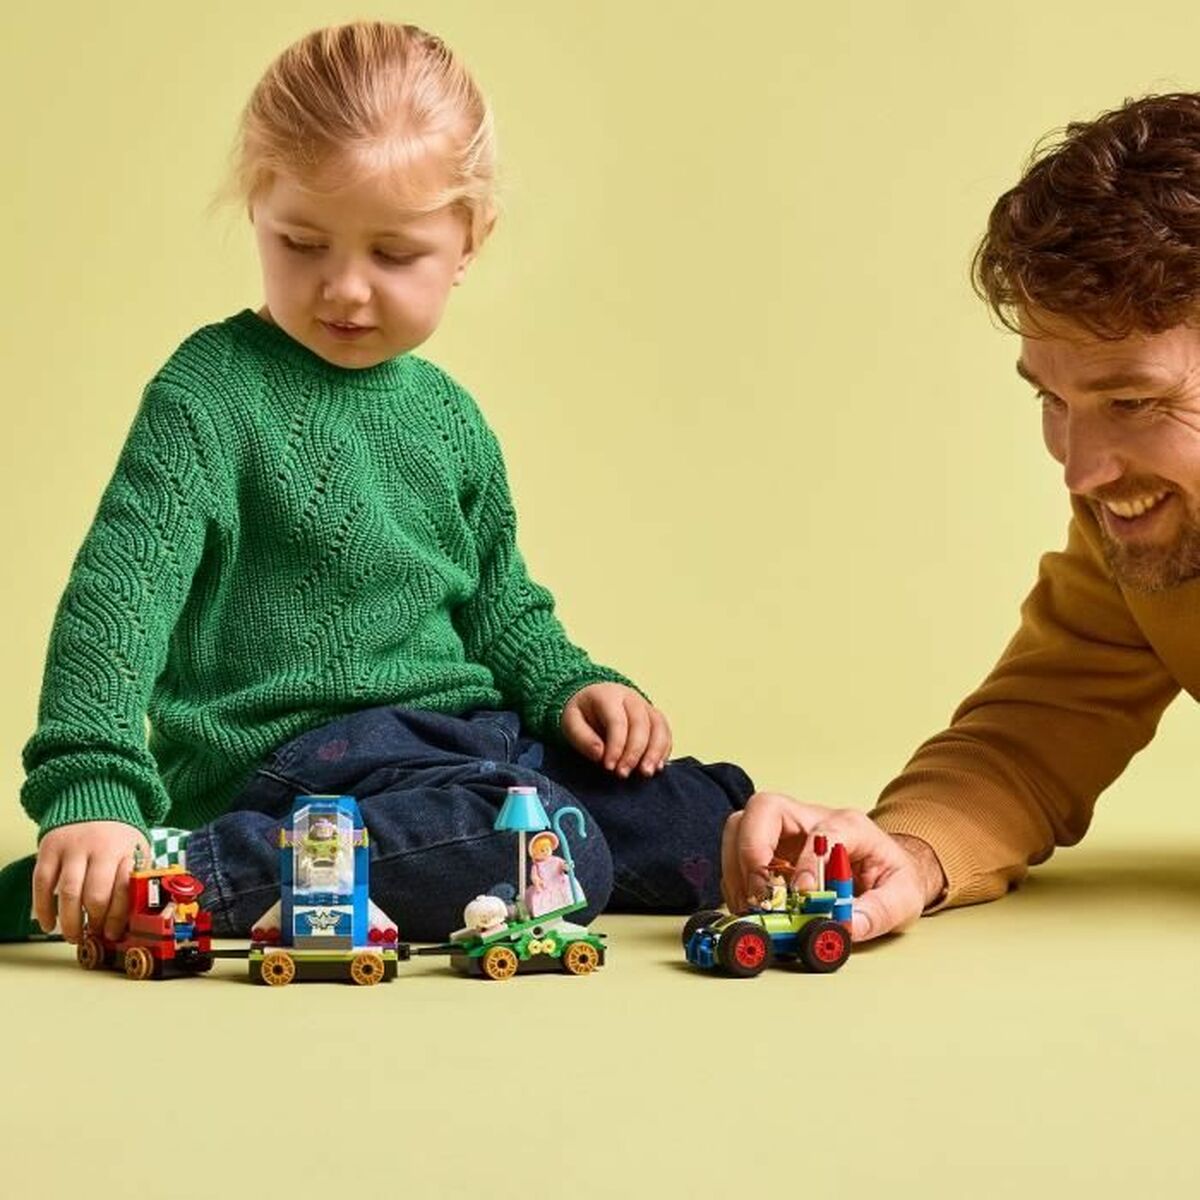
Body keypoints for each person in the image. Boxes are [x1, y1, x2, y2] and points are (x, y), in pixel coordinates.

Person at [0, 20, 753, 946]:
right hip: (294, 763)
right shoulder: (208, 395)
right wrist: (93, 790)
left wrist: (569, 685)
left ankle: (509, 823)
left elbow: (499, 606)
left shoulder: (448, 416)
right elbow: (119, 600)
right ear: (257, 213)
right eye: (302, 244)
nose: (346, 289)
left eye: (392, 256)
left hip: (458, 743)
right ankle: (176, 874)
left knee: (706, 818)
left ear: (469, 240)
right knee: (538, 848)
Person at [723, 92, 1200, 942]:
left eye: (1132, 401)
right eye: (1053, 400)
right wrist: (906, 854)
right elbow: (1036, 736)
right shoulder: (1147, 529)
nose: (1082, 470)